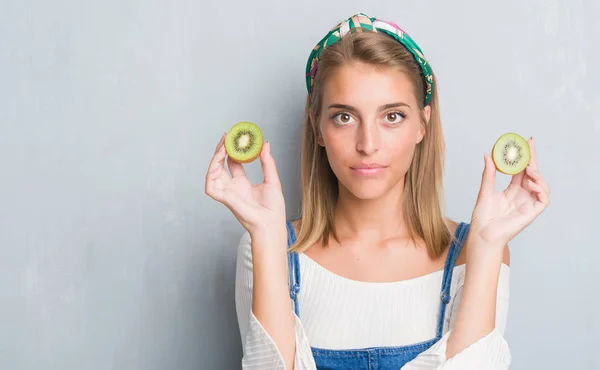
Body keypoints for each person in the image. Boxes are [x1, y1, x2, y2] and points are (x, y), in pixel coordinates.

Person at [205, 13, 550, 370]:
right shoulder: (269, 246)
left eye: (392, 116)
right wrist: (265, 234)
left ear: (422, 124)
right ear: (318, 128)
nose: (367, 144)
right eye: (344, 117)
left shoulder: (476, 252)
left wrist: (488, 245)